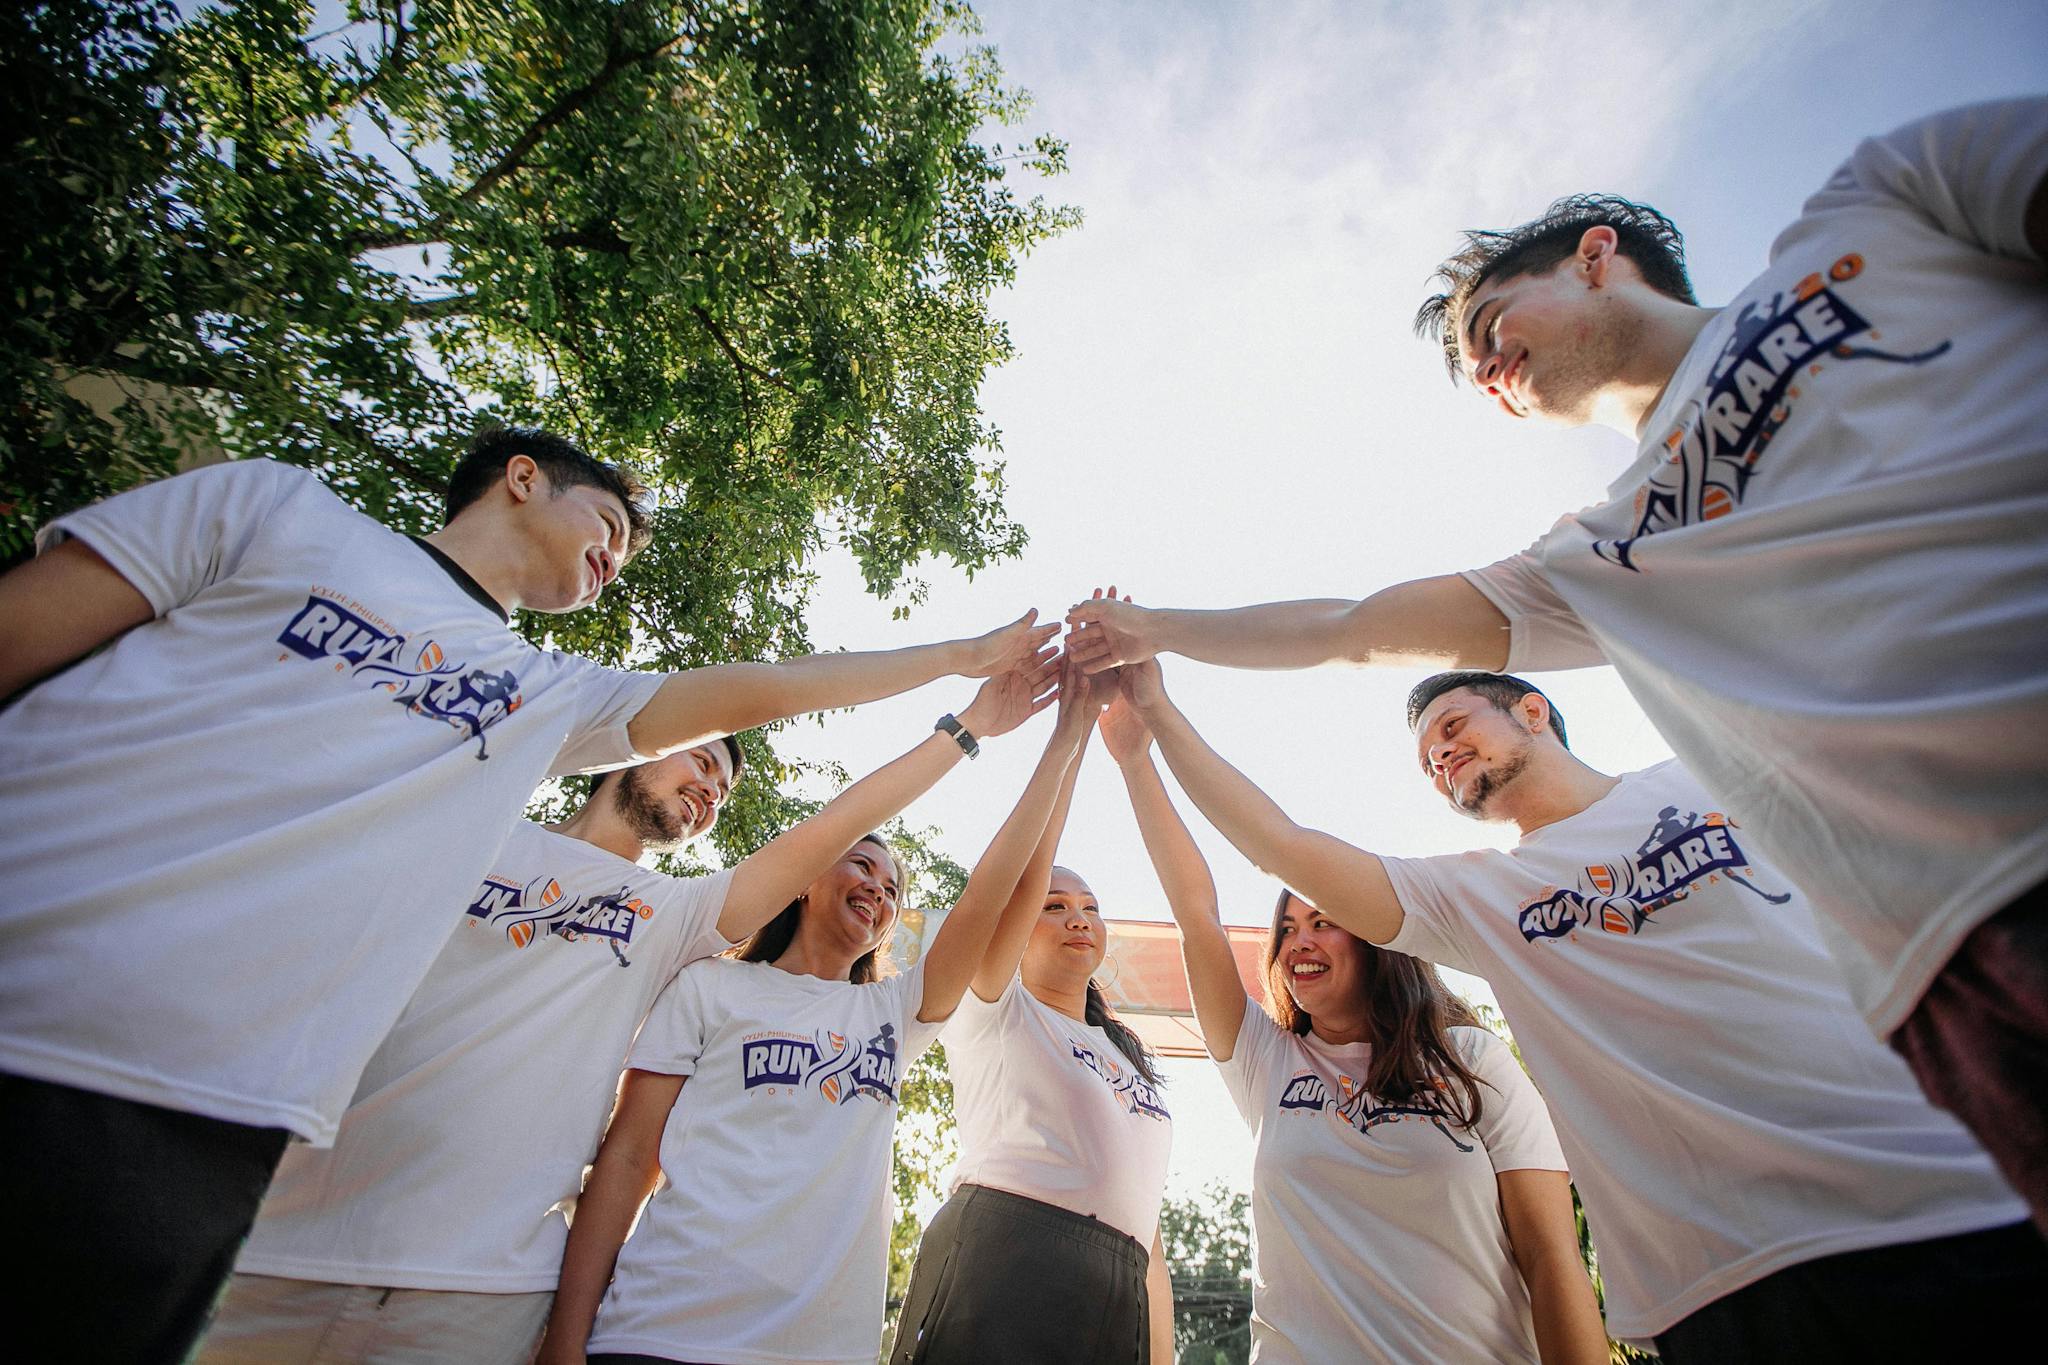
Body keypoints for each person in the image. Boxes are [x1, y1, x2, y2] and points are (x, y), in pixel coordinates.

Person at [1065, 99, 2048, 1227]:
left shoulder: (1875, 203)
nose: (1482, 369)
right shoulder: (1594, 557)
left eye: (1487, 320)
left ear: (1595, 258)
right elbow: (1348, 627)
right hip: (1970, 945)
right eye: (1470, 369)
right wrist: (1155, 630)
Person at [0, 426, 1058, 1362]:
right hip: (259, 1215)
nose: (706, 781)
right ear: (520, 478)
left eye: (724, 785)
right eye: (604, 521)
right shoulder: (288, 520)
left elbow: (804, 793)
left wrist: (960, 693)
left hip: (328, 1205)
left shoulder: (601, 800)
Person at [1120, 659, 2042, 1360]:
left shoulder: (1707, 780)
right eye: (1428, 756)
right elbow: (1269, 850)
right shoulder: (1482, 898)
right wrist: (1151, 722)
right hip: (1720, 1284)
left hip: (1935, 1198)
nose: (1439, 755)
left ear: (1532, 708)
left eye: (1450, 725)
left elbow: (1549, 1254)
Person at [198, 649, 1060, 1362]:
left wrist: (970, 728)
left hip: (482, 1288)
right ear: (638, 740)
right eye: (702, 758)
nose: (710, 789)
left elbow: (833, 830)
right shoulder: (472, 828)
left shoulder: (675, 920)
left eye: (723, 789)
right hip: (282, 1242)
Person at [534, 659, 1097, 1365]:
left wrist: (1067, 737)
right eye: (861, 865)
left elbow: (997, 889)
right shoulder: (710, 985)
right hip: (660, 1335)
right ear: (807, 879)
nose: (878, 888)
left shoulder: (896, 1013)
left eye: (892, 887)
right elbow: (626, 1162)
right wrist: (564, 1335)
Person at [1099, 676, 1603, 1365]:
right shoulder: (1265, 1062)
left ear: (1376, 938)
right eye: (1288, 927)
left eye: (1325, 921)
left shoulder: (1470, 1060)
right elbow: (1196, 913)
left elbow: (1550, 1256)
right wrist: (1134, 761)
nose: (1299, 940)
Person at [890, 666, 1175, 1365]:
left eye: (1091, 908)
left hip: (1118, 1281)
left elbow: (1150, 1233)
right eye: (1056, 906)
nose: (1078, 918)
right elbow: (1019, 876)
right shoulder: (995, 1008)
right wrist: (1070, 733)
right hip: (1008, 1254)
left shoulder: (1127, 1053)